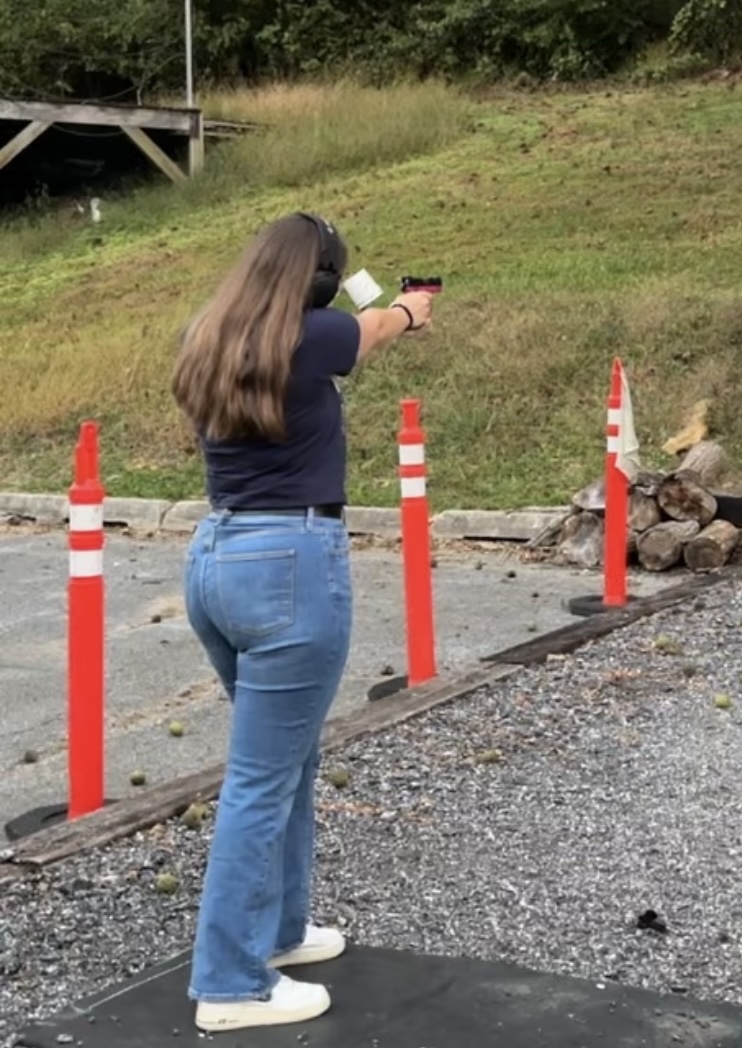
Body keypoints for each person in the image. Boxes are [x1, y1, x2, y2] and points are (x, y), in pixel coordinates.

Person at [169, 212, 435, 1033]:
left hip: (215, 557)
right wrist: (414, 302)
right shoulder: (315, 336)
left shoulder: (206, 333)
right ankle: (230, 983)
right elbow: (383, 327)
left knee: (286, 760)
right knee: (260, 780)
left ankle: (277, 933)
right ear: (319, 279)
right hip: (290, 561)